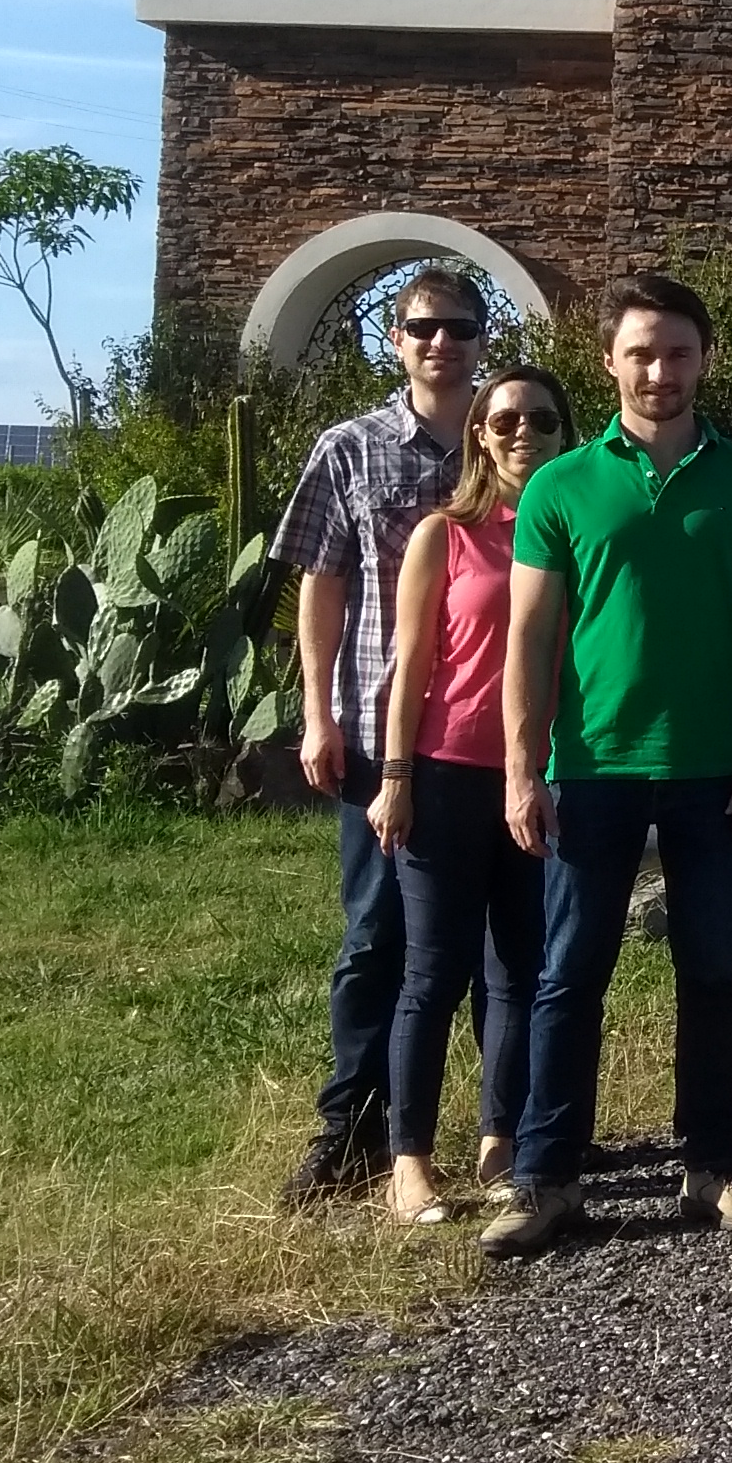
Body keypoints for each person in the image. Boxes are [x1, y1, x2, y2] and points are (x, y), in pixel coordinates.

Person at [482, 272, 732, 1257]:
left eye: (677, 353)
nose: (659, 371)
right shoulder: (560, 485)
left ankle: (714, 1167)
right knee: (569, 976)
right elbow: (529, 637)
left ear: (704, 361)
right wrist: (521, 770)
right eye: (641, 354)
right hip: (591, 768)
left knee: (712, 973)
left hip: (715, 768)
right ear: (608, 363)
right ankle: (545, 1178)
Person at [272, 262, 487, 1203]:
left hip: (489, 736)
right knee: (376, 935)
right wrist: (316, 713)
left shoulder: (508, 438)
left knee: (500, 947)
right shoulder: (350, 449)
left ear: (482, 339)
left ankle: (507, 1130)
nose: (441, 342)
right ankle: (352, 1129)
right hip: (377, 733)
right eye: (423, 327)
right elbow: (321, 583)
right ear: (395, 340)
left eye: (459, 327)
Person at [363, 364, 571, 1225]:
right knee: (433, 972)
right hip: (447, 772)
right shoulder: (444, 535)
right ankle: (408, 1162)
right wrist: (395, 777)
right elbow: (410, 665)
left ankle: (500, 1140)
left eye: (543, 420)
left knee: (520, 970)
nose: (525, 433)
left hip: (542, 778)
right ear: (480, 435)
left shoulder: (572, 531)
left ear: (565, 435)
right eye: (506, 420)